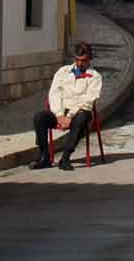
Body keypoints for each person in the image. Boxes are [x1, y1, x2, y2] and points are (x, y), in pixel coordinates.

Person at [32, 42, 103, 171]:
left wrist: (69, 116)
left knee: (83, 118)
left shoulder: (95, 77)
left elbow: (87, 101)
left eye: (84, 60)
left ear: (90, 59)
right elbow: (54, 93)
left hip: (78, 113)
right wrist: (59, 115)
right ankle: (44, 156)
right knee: (39, 117)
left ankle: (65, 157)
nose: (80, 63)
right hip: (60, 113)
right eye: (77, 60)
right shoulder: (63, 72)